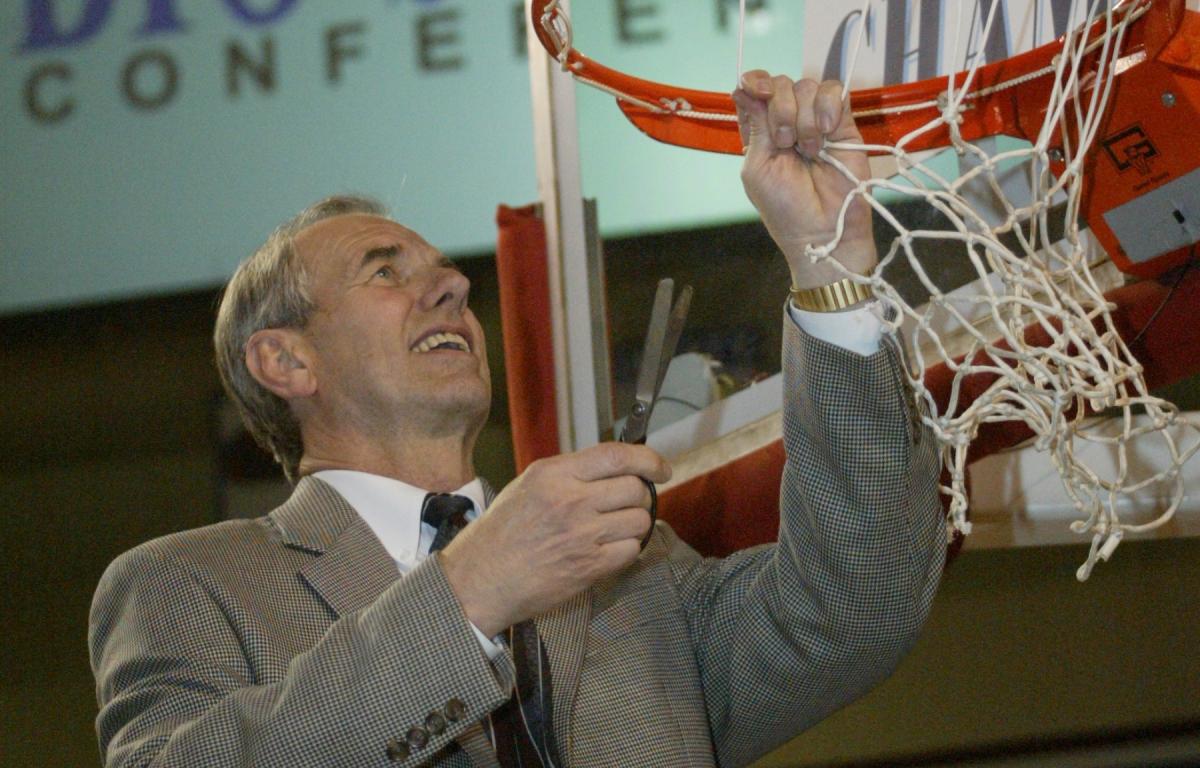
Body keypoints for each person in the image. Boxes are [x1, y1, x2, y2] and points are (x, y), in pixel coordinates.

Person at [89, 72, 945, 767]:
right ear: (285, 361)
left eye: (445, 271)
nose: (454, 286)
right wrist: (469, 592)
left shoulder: (633, 573)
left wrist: (830, 265)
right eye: (385, 272)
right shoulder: (188, 583)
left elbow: (859, 607)